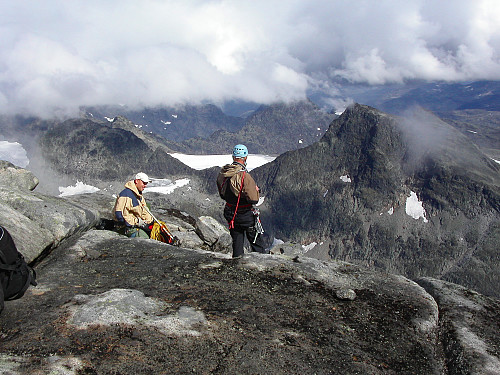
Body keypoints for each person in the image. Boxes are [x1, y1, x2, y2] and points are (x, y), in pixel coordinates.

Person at [217, 144, 268, 258]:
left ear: (233, 156)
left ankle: (237, 265)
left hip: (231, 213)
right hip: (245, 215)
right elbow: (254, 199)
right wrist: (256, 191)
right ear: (245, 157)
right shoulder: (245, 176)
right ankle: (260, 267)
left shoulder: (223, 174)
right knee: (257, 244)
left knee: (237, 242)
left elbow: (222, 194)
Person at [113, 172, 154, 238]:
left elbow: (144, 211)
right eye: (144, 183)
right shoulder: (126, 195)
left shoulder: (139, 195)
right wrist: (137, 222)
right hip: (125, 228)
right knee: (143, 237)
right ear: (137, 181)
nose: (145, 185)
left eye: (146, 183)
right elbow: (120, 216)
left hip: (135, 225)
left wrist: (150, 221)